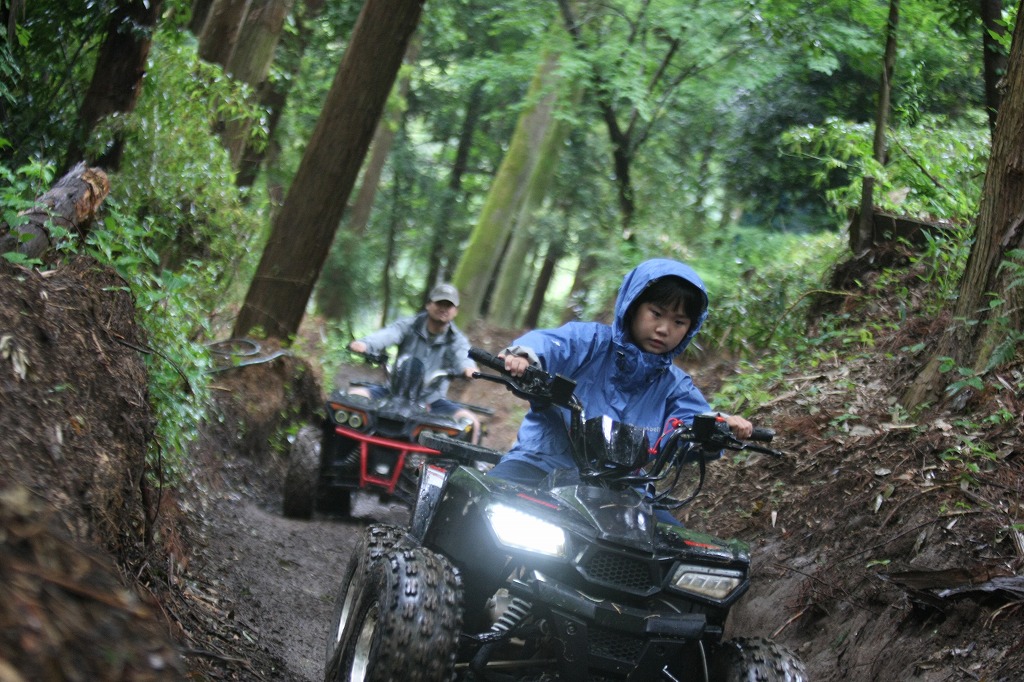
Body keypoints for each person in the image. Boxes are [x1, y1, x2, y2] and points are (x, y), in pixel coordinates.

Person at [489, 258, 752, 523]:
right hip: (541, 463)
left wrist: (717, 428)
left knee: (674, 544)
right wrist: (524, 357)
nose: (664, 329)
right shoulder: (589, 342)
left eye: (679, 322)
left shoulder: (675, 386)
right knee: (488, 503)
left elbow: (690, 422)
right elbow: (551, 345)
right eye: (656, 314)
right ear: (633, 306)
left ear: (690, 329)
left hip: (624, 489)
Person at [347, 283, 482, 442]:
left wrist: (469, 368)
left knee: (471, 423)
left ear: (455, 311)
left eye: (449, 305)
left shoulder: (456, 339)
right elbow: (388, 335)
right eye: (439, 303)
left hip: (432, 401)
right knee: (353, 398)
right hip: (393, 393)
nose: (443, 308)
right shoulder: (409, 325)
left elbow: (463, 356)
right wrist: (365, 344)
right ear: (429, 304)